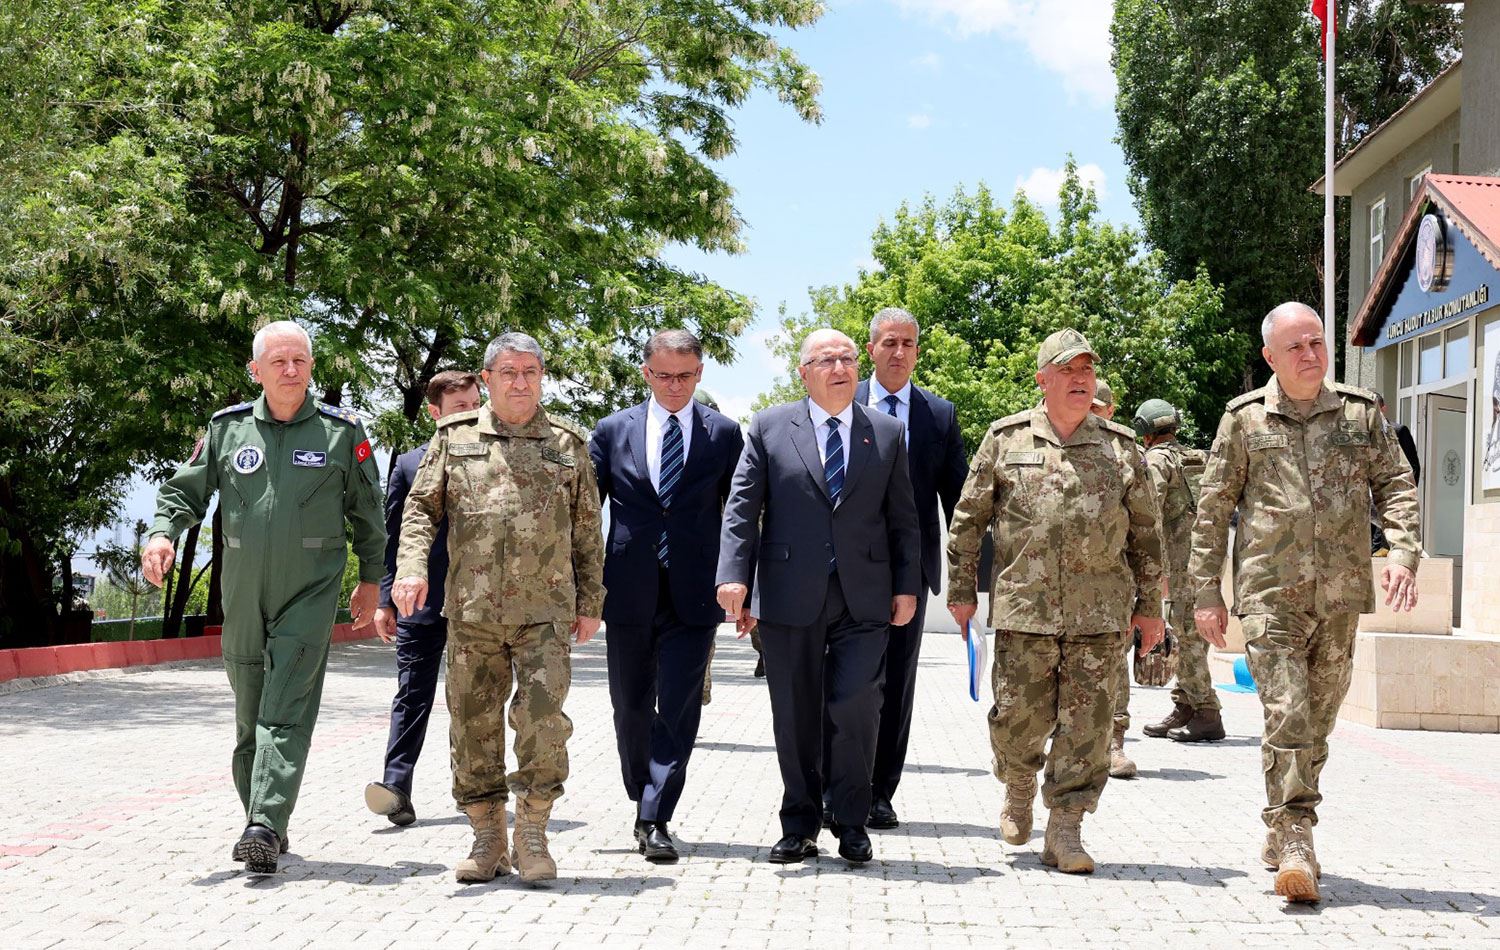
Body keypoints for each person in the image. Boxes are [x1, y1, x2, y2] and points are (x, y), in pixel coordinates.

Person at [1187, 302, 1419, 904]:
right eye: (1296, 347)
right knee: (1286, 713)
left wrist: (1402, 551)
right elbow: (1211, 511)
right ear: (1270, 357)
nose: (1311, 354)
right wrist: (1206, 593)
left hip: (1340, 593)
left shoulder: (1360, 414)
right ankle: (1297, 835)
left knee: (1317, 722)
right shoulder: (1243, 421)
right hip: (1270, 596)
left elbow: (1395, 482)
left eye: (1317, 342)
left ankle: (1279, 820)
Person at [141, 320, 385, 874]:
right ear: (256, 371)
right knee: (251, 715)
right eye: (278, 362)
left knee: (285, 706)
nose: (291, 370)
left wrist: (372, 579)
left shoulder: (341, 432)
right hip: (242, 594)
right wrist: (161, 533)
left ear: (312, 368)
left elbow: (368, 513)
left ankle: (262, 823)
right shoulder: (226, 430)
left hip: (311, 590)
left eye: (300, 360)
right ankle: (266, 820)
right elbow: (185, 489)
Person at [946, 328, 1165, 875]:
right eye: (1068, 371)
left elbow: (1145, 532)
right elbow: (968, 521)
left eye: (1087, 371)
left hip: (1101, 615)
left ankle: (1065, 828)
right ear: (1043, 379)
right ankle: (1018, 783)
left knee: (1088, 728)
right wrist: (961, 592)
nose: (1080, 380)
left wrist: (1150, 608)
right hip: (1026, 612)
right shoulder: (1005, 440)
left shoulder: (1120, 448)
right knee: (1017, 719)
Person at [392, 332, 604, 886]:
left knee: (542, 723)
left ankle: (533, 833)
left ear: (541, 376)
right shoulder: (452, 438)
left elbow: (587, 529)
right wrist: (411, 568)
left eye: (530, 371)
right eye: (508, 372)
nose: (520, 382)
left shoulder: (567, 445)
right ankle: (487, 835)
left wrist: (591, 601)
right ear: (487, 379)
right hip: (473, 612)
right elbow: (419, 510)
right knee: (472, 726)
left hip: (545, 613)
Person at [716, 328, 920, 867]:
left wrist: (906, 585)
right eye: (826, 360)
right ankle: (800, 823)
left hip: (864, 597)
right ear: (803, 372)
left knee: (855, 705)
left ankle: (850, 821)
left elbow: (904, 519)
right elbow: (742, 508)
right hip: (788, 594)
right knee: (796, 712)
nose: (839, 368)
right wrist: (734, 576)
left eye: (848, 358)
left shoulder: (888, 432)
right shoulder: (769, 426)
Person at [588, 330, 744, 864]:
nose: (674, 385)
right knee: (630, 706)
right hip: (628, 588)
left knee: (677, 708)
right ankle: (641, 791)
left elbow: (741, 516)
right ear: (646, 373)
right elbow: (584, 515)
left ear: (700, 374)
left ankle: (655, 815)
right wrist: (582, 590)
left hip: (696, 593)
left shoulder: (724, 434)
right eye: (663, 375)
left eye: (685, 375)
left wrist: (745, 586)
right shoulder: (612, 431)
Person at [843, 307, 966, 830]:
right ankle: (836, 785)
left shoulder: (938, 415)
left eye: (909, 344)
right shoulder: (839, 401)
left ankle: (878, 792)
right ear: (870, 348)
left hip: (906, 575)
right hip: (843, 567)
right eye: (889, 343)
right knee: (845, 683)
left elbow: (961, 501)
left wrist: (969, 578)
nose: (899, 353)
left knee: (895, 683)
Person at [364, 370, 483, 827]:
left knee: (474, 698)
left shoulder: (500, 461)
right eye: (460, 408)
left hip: (480, 603)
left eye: (476, 403)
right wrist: (385, 600)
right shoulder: (410, 465)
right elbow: (392, 537)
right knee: (413, 693)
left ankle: (474, 789)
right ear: (435, 414)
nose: (472, 414)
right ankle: (397, 788)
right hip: (421, 602)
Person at [1133, 399, 1224, 743]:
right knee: (1192, 634)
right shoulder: (1196, 457)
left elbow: (1147, 513)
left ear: (1144, 431)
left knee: (1186, 637)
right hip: (1206, 559)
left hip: (1179, 563)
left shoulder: (1156, 461)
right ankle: (1185, 704)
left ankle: (1206, 712)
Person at [1088, 379, 1138, 780]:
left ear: (1110, 409)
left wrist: (1153, 596)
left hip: (1112, 588)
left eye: (1098, 408)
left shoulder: (1124, 451)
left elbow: (1145, 528)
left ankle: (1114, 742)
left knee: (1114, 668)